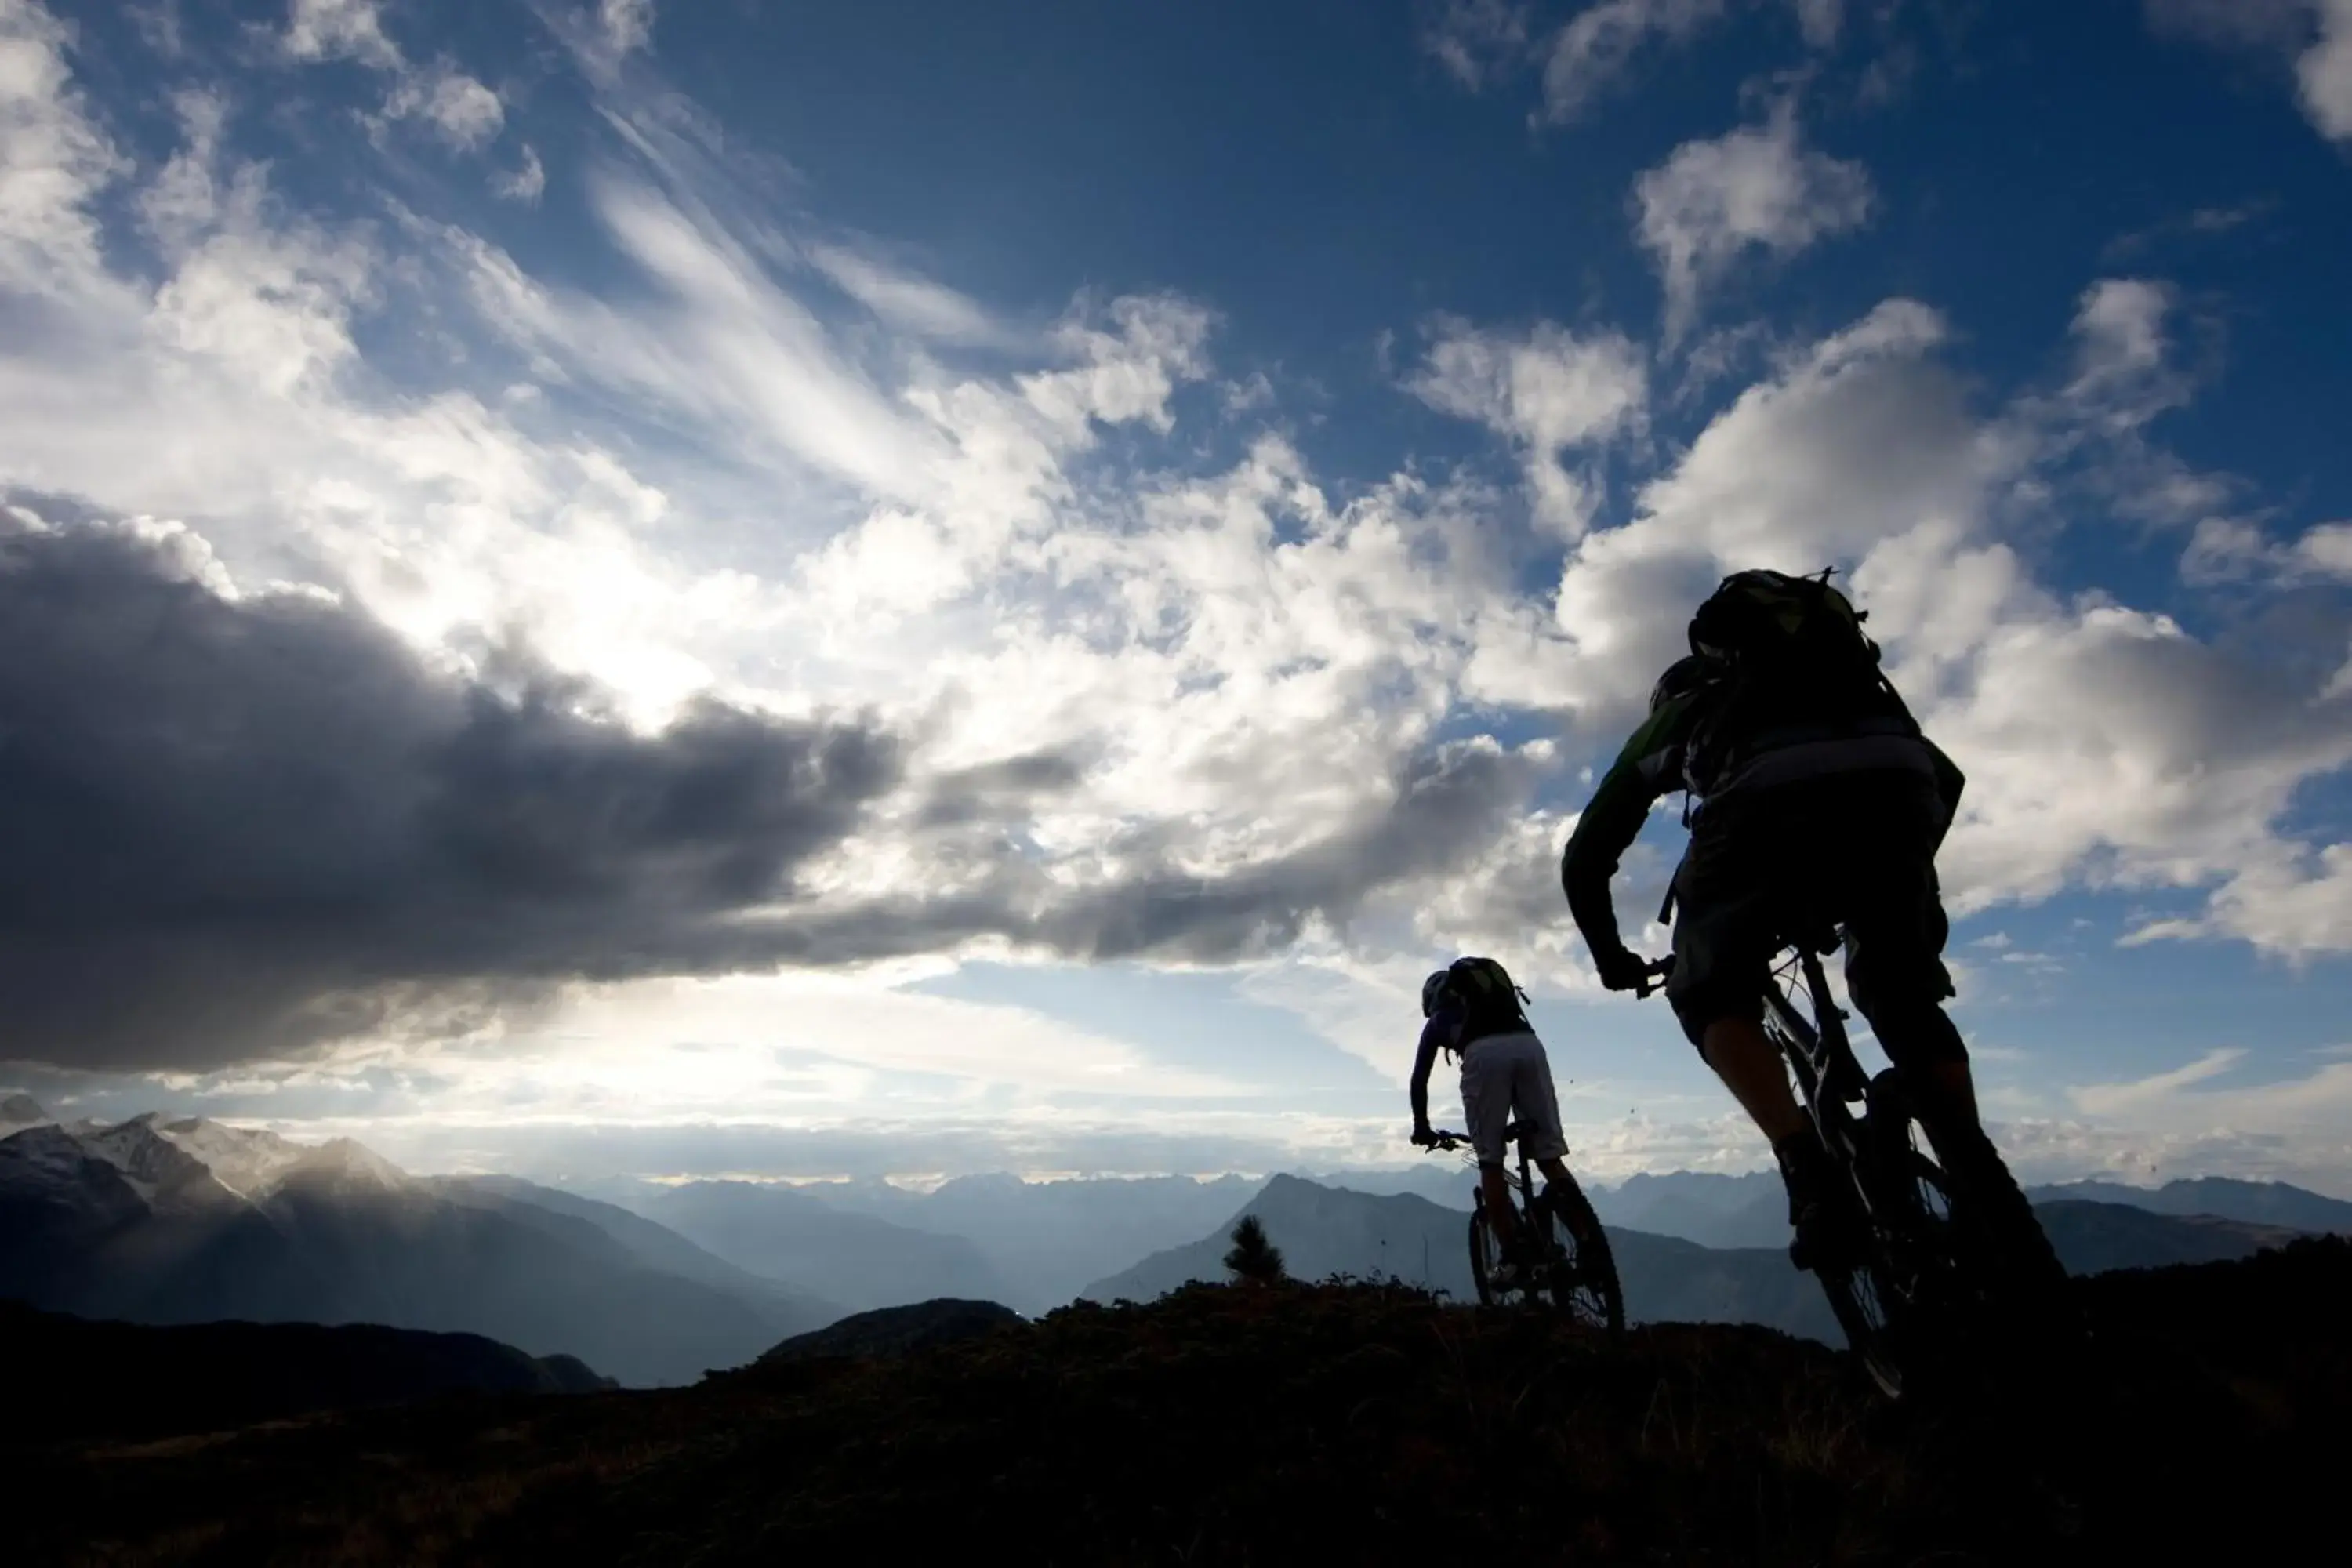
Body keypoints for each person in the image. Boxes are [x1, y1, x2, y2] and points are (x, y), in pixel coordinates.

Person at [1559, 568, 2013, 1273]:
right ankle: (1975, 1168)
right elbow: (1945, 780)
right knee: (1899, 986)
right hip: (1900, 788)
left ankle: (1808, 1171)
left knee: (1709, 992)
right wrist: (1896, 880)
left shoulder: (1688, 710)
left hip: (1761, 810)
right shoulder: (1854, 689)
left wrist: (1610, 956)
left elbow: (1587, 853)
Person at [1407, 956, 1577, 1284]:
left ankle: (1513, 1259)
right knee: (1548, 1157)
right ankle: (1586, 1240)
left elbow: (1419, 1079)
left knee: (1492, 1163)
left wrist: (1421, 1127)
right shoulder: (1500, 1006)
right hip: (1530, 1046)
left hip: (1485, 1057)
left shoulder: (1439, 1021)